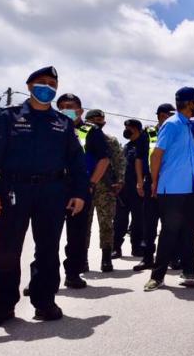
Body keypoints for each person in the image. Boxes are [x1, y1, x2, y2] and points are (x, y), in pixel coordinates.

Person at [0, 66, 86, 329]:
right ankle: (2, 307)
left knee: (48, 249)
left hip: (52, 192)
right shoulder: (7, 117)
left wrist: (79, 193)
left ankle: (45, 302)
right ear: (29, 86)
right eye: (41, 82)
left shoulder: (63, 123)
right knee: (7, 250)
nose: (46, 87)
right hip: (13, 190)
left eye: (52, 83)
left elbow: (77, 163)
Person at [144, 87, 194, 291]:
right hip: (171, 189)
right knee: (170, 232)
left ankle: (189, 272)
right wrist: (153, 182)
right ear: (189, 103)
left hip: (190, 189)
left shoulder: (187, 126)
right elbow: (156, 155)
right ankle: (157, 276)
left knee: (189, 233)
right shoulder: (171, 124)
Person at [56, 93, 111, 287]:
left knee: (76, 235)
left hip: (79, 188)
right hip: (53, 187)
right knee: (47, 236)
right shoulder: (52, 127)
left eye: (69, 106)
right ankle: (44, 277)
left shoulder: (91, 131)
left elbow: (104, 159)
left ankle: (73, 273)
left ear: (80, 110)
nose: (65, 109)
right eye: (61, 106)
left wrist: (91, 183)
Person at [83, 109, 124, 272]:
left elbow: (119, 161)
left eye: (100, 119)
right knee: (83, 224)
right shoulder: (80, 138)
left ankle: (106, 258)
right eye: (93, 119)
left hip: (106, 188)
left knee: (106, 223)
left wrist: (119, 180)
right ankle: (82, 258)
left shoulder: (111, 140)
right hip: (84, 186)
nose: (97, 122)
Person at [138, 103, 176, 270]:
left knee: (171, 222)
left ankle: (173, 258)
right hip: (150, 182)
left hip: (170, 183)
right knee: (149, 222)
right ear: (161, 116)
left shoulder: (176, 131)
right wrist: (140, 181)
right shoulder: (148, 133)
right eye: (169, 114)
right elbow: (139, 159)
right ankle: (147, 258)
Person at [113, 119, 149, 263]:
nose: (127, 130)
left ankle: (137, 247)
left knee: (139, 219)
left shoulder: (145, 144)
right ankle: (116, 247)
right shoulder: (126, 147)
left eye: (130, 128)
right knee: (119, 219)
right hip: (124, 189)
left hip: (139, 188)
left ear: (137, 129)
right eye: (126, 127)